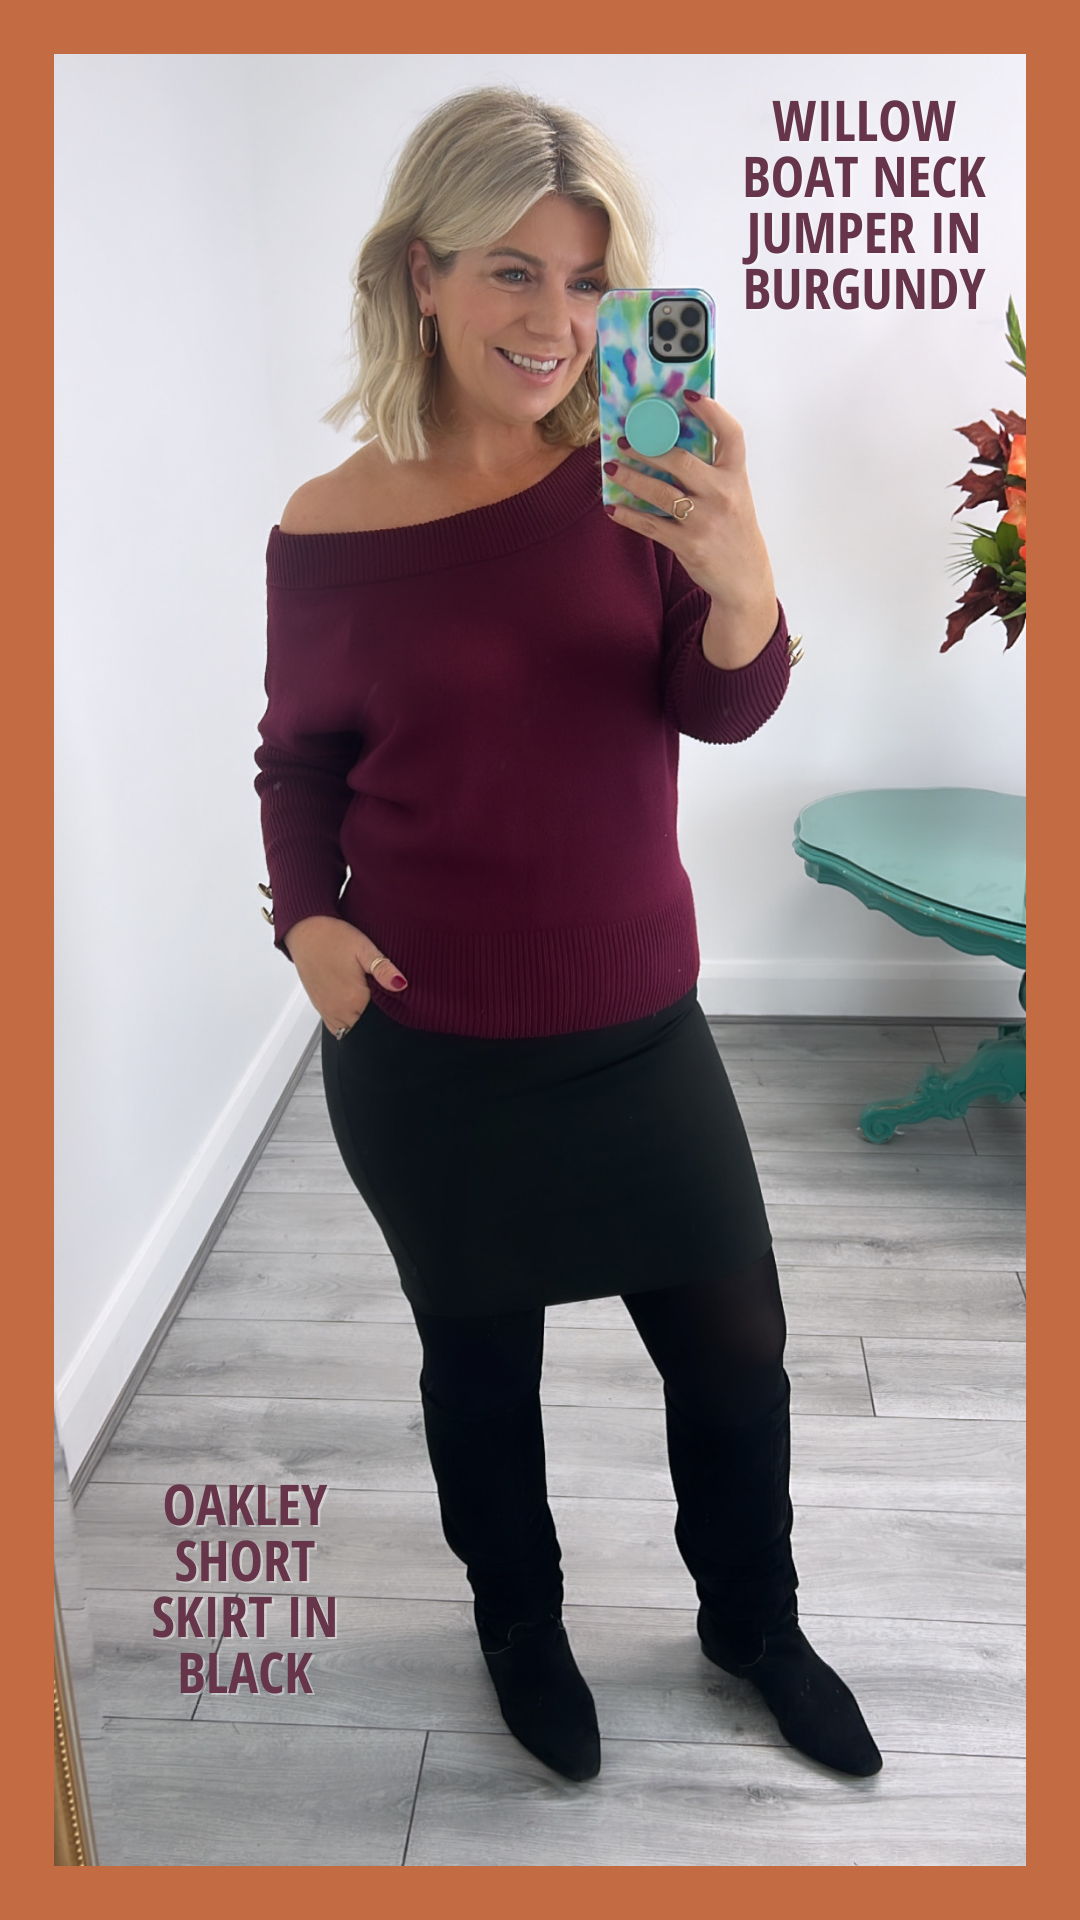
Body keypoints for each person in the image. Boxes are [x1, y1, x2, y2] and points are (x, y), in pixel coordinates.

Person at [255, 86, 881, 1785]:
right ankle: (519, 1625)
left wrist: (742, 577)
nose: (556, 320)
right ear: (424, 273)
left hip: (632, 1021)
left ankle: (752, 1622)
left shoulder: (643, 476)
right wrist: (305, 921)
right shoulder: (327, 528)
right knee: (481, 1375)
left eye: (592, 283)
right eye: (514, 272)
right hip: (429, 1045)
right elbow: (298, 757)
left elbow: (718, 705)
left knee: (736, 1358)